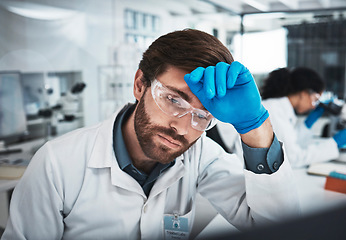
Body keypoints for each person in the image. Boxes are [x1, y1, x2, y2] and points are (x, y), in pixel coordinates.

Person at [2, 29, 300, 240]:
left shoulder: (200, 155)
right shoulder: (57, 163)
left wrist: (254, 125)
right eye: (173, 100)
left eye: (201, 115)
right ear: (139, 84)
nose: (183, 128)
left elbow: (277, 226)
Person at [260, 67, 346, 168]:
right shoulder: (275, 112)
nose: (314, 106)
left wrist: (308, 124)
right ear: (304, 93)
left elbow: (291, 142)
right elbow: (293, 158)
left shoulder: (279, 108)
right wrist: (334, 143)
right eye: (315, 99)